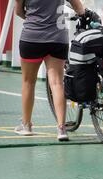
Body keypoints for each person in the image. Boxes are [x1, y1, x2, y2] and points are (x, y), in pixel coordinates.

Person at [14, 0, 90, 141]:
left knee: (28, 82)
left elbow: (18, 11)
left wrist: (34, 19)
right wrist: (83, 14)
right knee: (57, 83)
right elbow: (78, 6)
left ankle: (26, 125)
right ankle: (61, 128)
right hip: (57, 38)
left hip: (32, 38)